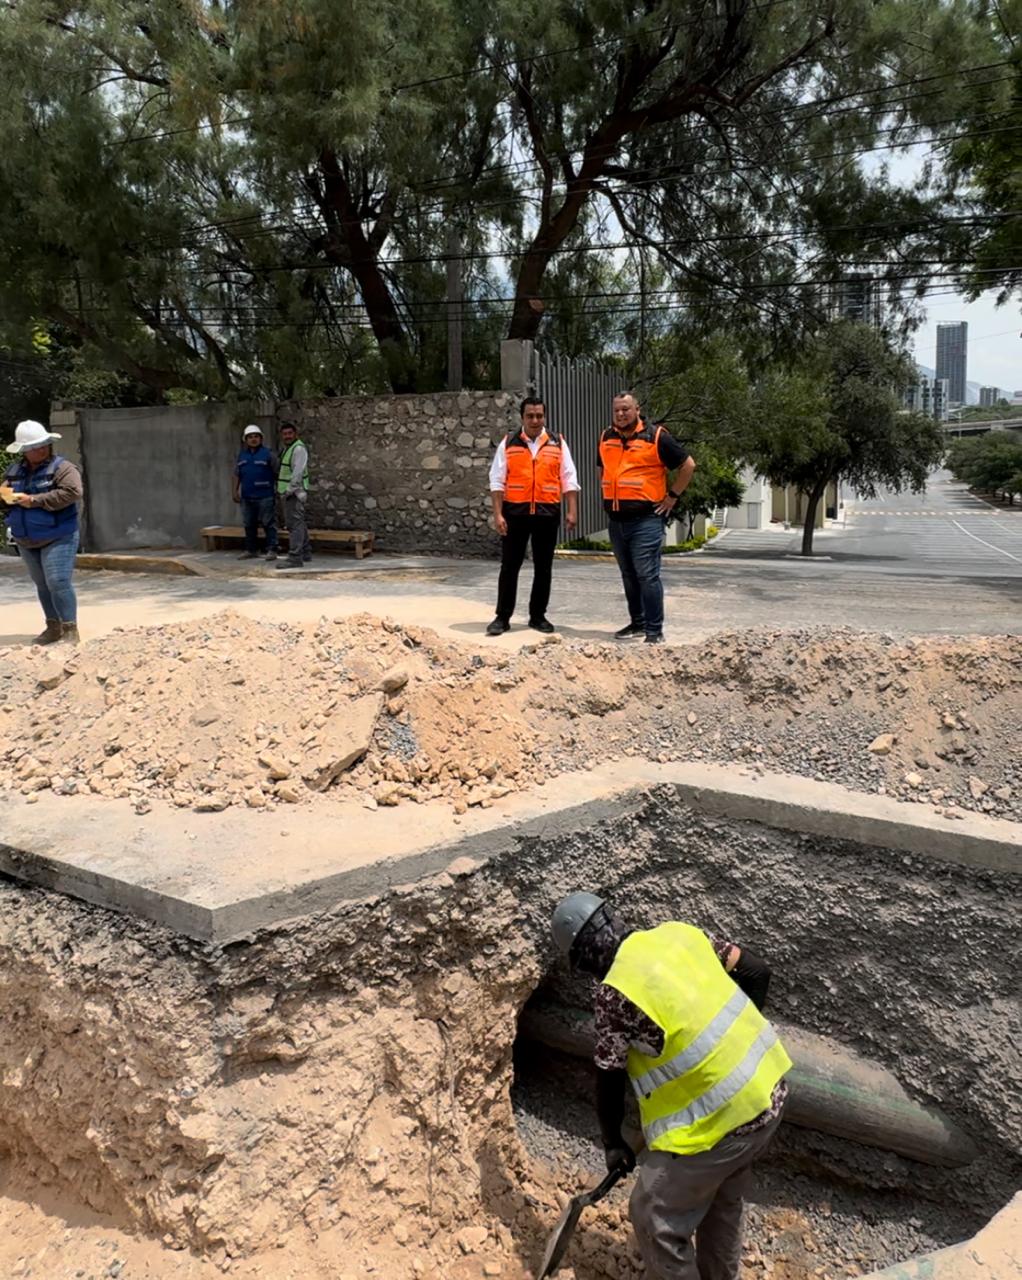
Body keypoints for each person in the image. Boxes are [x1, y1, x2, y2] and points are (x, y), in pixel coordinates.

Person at [550, 892, 791, 1280]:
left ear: (584, 957)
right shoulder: (680, 934)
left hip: (724, 1120)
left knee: (651, 1212)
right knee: (721, 1202)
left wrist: (613, 1143)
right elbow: (756, 971)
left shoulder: (615, 994)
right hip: (769, 1093)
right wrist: (731, 1051)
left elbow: (608, 1079)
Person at [599, 393, 696, 644]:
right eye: (617, 410)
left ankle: (654, 631)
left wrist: (672, 496)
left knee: (647, 575)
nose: (621, 414)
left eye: (626, 409)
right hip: (616, 520)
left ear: (637, 410)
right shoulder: (606, 437)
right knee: (628, 575)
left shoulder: (656, 437)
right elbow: (604, 469)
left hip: (646, 520)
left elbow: (688, 465)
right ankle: (637, 623)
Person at [485, 396, 580, 635]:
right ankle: (502, 617)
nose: (535, 420)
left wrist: (572, 510)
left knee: (544, 567)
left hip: (547, 514)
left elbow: (569, 478)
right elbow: (497, 481)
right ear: (522, 417)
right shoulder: (509, 443)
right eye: (530, 416)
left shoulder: (558, 443)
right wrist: (498, 515)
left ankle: (538, 616)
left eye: (539, 415)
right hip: (515, 513)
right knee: (510, 566)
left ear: (544, 417)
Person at [2, 420, 84, 644]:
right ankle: (53, 627)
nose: (43, 448)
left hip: (59, 536)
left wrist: (35, 500)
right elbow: (5, 496)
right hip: (26, 539)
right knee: (42, 585)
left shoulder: (63, 468)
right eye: (36, 446)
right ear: (25, 451)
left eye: (44, 444)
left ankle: (70, 631)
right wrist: (5, 498)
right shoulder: (14, 471)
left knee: (58, 581)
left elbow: (73, 492)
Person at [232, 425, 279, 561]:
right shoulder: (242, 456)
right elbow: (236, 474)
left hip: (265, 496)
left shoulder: (268, 454)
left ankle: (272, 549)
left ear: (261, 439)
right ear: (245, 440)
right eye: (250, 437)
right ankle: (251, 550)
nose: (253, 439)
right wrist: (234, 491)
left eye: (256, 436)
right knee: (249, 524)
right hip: (247, 497)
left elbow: (277, 473)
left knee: (268, 523)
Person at [275, 421, 312, 570]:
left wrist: (290, 490)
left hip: (294, 492)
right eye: (284, 434)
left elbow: (297, 472)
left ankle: (295, 557)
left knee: (294, 525)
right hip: (292, 491)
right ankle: (305, 552)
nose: (287, 436)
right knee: (299, 523)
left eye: (290, 433)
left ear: (295, 434)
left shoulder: (298, 449)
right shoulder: (289, 449)